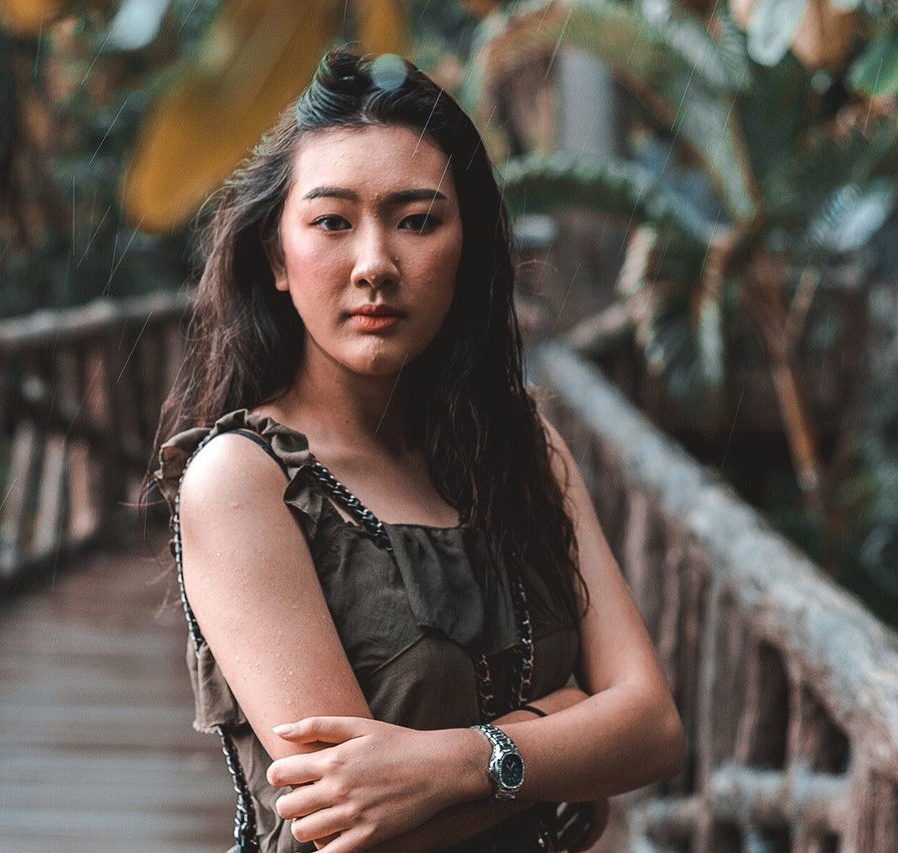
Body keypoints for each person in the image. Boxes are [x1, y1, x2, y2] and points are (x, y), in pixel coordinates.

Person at [151, 48, 684, 853]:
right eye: (332, 221)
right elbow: (353, 829)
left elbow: (650, 723)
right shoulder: (242, 480)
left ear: (464, 246)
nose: (375, 265)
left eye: (417, 220)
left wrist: (454, 764)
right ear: (275, 257)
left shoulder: (521, 447)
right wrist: (568, 734)